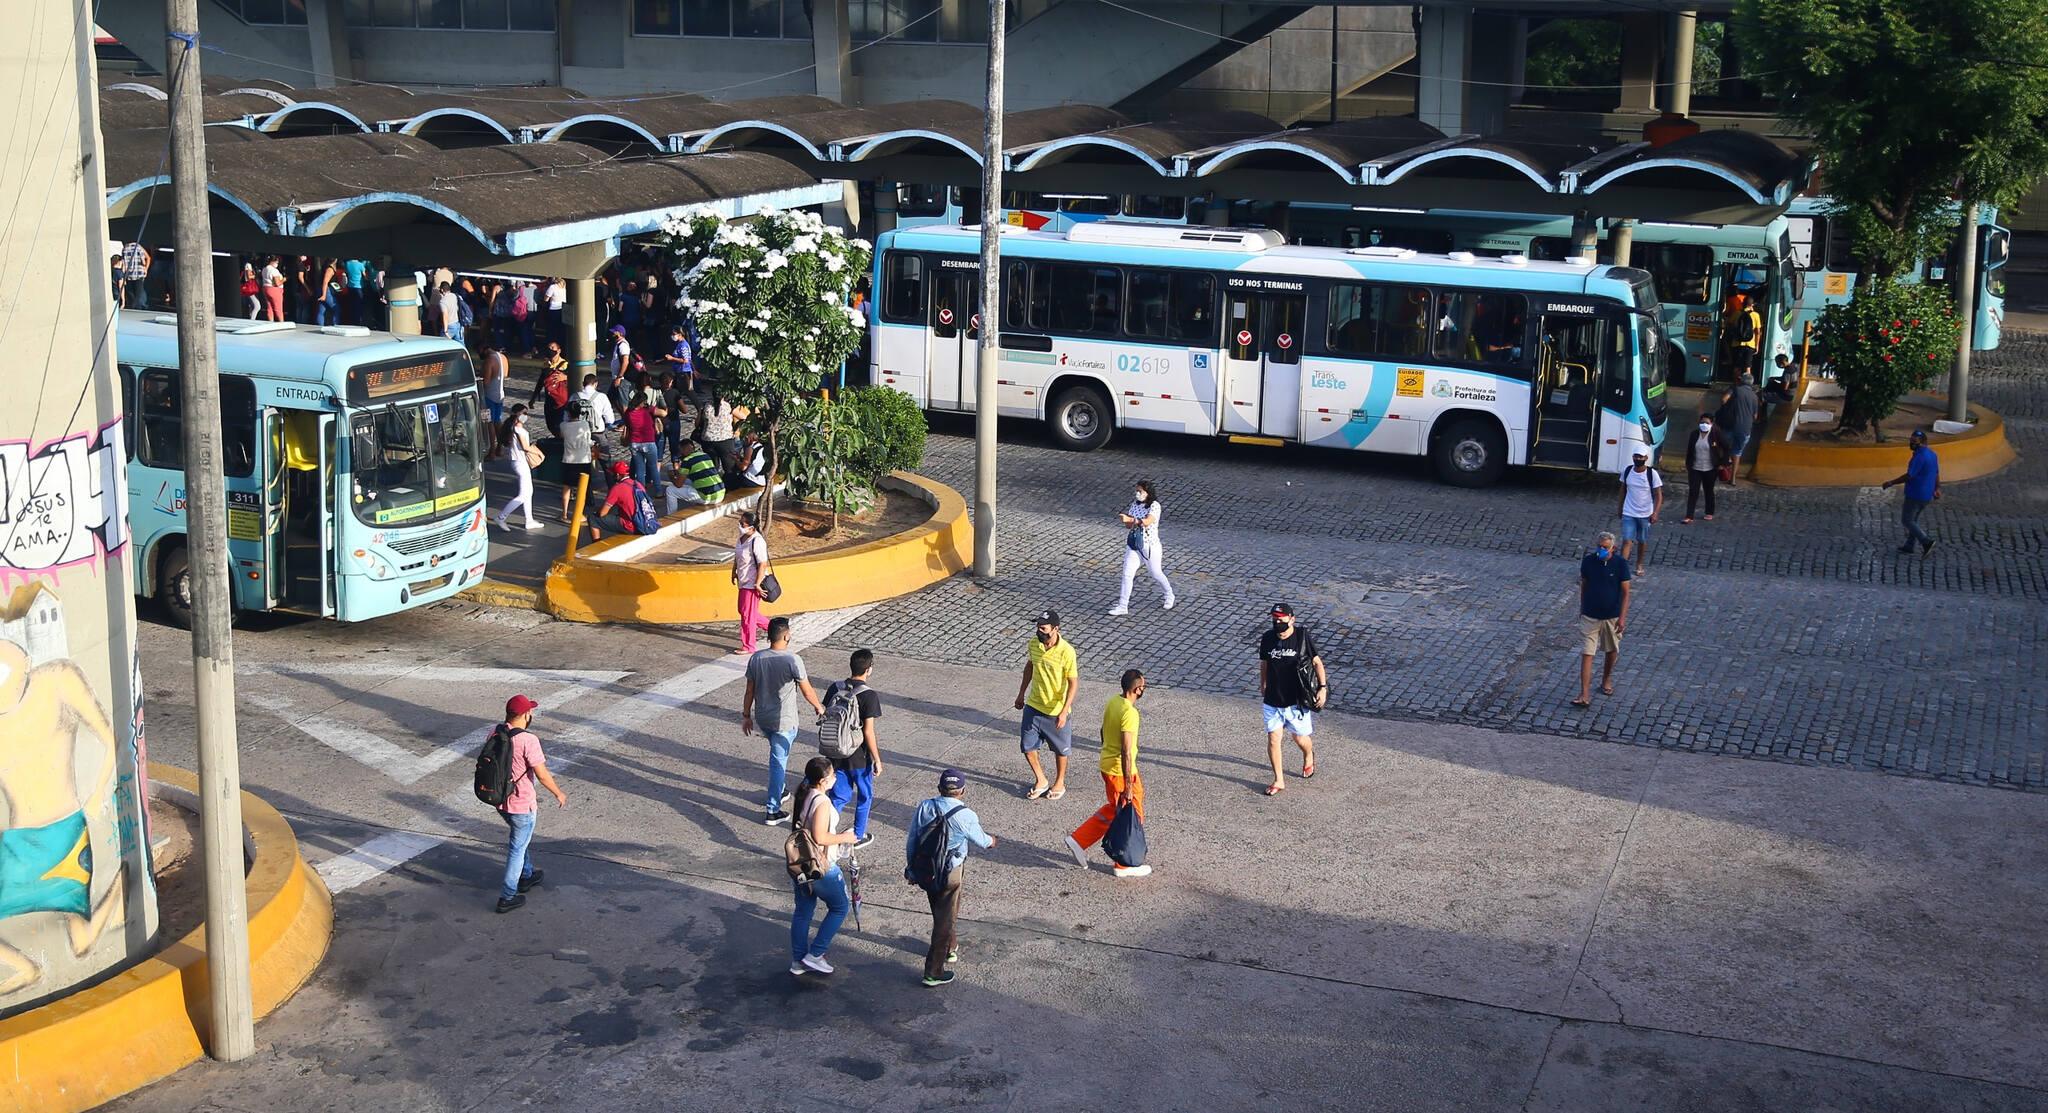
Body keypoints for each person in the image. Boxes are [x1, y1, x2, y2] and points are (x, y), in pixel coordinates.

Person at [904, 768, 996, 987]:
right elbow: (983, 841)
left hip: (927, 868)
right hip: (951, 871)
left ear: (939, 789)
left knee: (941, 910)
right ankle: (933, 972)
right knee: (945, 918)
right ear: (962, 791)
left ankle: (951, 947)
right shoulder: (966, 815)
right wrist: (993, 840)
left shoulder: (926, 806)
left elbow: (913, 839)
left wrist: (911, 869)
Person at [1063, 669, 1151, 878]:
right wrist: (1128, 786)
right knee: (1132, 813)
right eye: (1144, 687)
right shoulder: (1130, 713)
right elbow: (1126, 751)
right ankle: (1123, 863)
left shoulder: (1114, 701)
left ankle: (1079, 840)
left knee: (1115, 810)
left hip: (1108, 765)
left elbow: (1103, 731)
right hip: (1121, 771)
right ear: (1137, 689)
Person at [743, 616, 825, 826]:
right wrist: (819, 706)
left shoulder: (756, 658)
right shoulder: (792, 660)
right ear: (786, 635)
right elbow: (807, 690)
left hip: (763, 717)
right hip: (784, 721)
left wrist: (746, 715)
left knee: (777, 756)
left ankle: (779, 790)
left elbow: (749, 689)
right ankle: (772, 810)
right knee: (778, 763)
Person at [492, 694, 568, 914]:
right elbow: (542, 774)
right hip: (522, 805)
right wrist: (558, 793)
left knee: (520, 840)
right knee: (517, 848)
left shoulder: (496, 733)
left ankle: (527, 875)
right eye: (530, 711)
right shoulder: (528, 740)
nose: (531, 714)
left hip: (501, 802)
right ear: (525, 715)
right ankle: (507, 896)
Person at [787, 757, 860, 977]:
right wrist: (845, 837)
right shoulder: (823, 802)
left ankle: (798, 961)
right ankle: (816, 954)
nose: (835, 778)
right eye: (832, 775)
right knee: (840, 907)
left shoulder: (805, 794)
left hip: (801, 862)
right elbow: (820, 837)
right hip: (821, 865)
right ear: (822, 780)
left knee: (803, 912)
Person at [1257, 603, 1325, 796]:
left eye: (1281, 619)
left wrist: (1323, 688)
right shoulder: (1268, 638)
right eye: (1274, 618)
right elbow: (1264, 662)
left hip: (1296, 700)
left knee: (1300, 738)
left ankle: (1308, 755)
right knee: (1273, 739)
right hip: (1273, 699)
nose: (1277, 622)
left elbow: (1317, 663)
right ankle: (1278, 780)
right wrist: (1263, 683)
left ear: (1291, 619)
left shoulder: (1302, 637)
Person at [1012, 609, 1077, 801]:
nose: (1039, 632)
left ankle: (1060, 782)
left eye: (1043, 628)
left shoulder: (1067, 652)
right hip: (1034, 705)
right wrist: (1021, 693)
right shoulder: (1034, 644)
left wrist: (1064, 711)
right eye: (1037, 627)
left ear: (1055, 629)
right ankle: (1041, 780)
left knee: (1060, 749)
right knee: (1027, 746)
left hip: (1055, 710)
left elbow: (1073, 682)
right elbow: (1029, 667)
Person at [823, 649, 884, 849]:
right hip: (859, 757)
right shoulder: (868, 695)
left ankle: (826, 828)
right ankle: (858, 835)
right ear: (869, 670)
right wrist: (876, 759)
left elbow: (825, 714)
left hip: (835, 751)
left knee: (839, 795)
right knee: (865, 795)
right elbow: (868, 732)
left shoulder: (834, 688)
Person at [1573, 531, 1633, 708]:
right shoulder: (1589, 562)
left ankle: (1606, 678)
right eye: (1599, 546)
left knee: (1611, 649)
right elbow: (1584, 584)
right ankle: (1584, 693)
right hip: (1590, 615)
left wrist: (1622, 618)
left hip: (1611, 617)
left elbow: (1626, 593)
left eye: (1605, 547)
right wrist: (1582, 608)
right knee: (1587, 652)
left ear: (1613, 548)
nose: (1601, 550)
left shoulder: (1620, 564)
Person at [1109, 479, 1174, 615]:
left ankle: (1169, 594)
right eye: (1136, 491)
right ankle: (1123, 605)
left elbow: (1148, 521)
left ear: (1147, 492)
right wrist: (1126, 520)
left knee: (1155, 573)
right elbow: (1129, 524)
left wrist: (1131, 520)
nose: (1137, 493)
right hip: (1134, 544)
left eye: (1140, 491)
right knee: (1127, 574)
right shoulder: (1135, 504)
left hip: (1150, 546)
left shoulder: (1154, 506)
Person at [1882, 428, 1941, 555]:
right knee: (1913, 519)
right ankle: (1909, 545)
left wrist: (1891, 482)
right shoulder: (1932, 454)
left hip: (1915, 494)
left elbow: (1909, 475)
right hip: (1926, 495)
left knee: (1907, 520)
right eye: (1911, 440)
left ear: (1922, 442)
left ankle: (1926, 542)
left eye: (1914, 441)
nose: (1911, 443)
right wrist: (1937, 488)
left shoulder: (1920, 457)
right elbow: (1936, 473)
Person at [1616, 448, 1664, 577]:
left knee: (1642, 540)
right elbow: (1623, 491)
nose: (1638, 459)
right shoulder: (1627, 471)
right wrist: (1620, 508)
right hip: (1629, 512)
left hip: (1645, 514)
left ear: (1646, 458)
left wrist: (1655, 513)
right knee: (1627, 540)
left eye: (1640, 457)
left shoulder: (1652, 474)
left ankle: (1639, 563)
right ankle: (1622, 567)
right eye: (1636, 456)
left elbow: (1658, 495)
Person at [732, 510, 773, 654]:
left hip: (752, 583)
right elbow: (737, 557)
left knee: (747, 615)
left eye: (742, 524)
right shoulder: (741, 538)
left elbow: (762, 563)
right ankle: (773, 628)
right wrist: (734, 571)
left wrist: (757, 583)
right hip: (743, 581)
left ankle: (749, 645)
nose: (740, 526)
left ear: (752, 527)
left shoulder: (757, 541)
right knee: (745, 611)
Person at [493, 405, 538, 532]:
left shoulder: (512, 427)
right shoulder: (518, 429)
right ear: (517, 414)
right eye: (524, 413)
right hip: (520, 463)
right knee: (524, 494)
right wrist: (538, 453)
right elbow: (525, 447)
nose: (526, 415)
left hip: (518, 462)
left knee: (528, 493)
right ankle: (501, 517)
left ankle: (529, 520)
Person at [1681, 414, 1733, 524]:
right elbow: (1690, 451)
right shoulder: (1694, 434)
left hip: (1710, 468)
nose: (1704, 425)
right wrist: (1688, 465)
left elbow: (1727, 447)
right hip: (1695, 468)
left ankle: (1709, 511)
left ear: (1712, 424)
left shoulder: (1716, 434)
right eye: (1702, 422)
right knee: (1693, 491)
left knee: (1708, 490)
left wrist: (1722, 463)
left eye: (1707, 423)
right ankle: (1689, 515)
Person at [557, 399, 596, 538]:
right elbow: (588, 440)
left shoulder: (563, 426)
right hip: (583, 459)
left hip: (568, 459)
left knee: (567, 487)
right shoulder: (585, 424)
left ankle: (564, 513)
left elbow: (562, 436)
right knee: (582, 488)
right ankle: (578, 514)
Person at [1716, 371, 1760, 478]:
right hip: (1745, 429)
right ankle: (1733, 479)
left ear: (1741, 380)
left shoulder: (1735, 389)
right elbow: (1755, 417)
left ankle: (1723, 467)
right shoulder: (1754, 397)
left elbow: (1723, 399)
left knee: (1722, 446)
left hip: (1730, 425)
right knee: (1737, 452)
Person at [622, 383, 663, 491]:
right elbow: (663, 413)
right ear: (642, 402)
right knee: (653, 467)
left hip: (635, 443)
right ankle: (658, 491)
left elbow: (627, 425)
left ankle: (641, 491)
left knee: (640, 469)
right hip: (648, 442)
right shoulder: (647, 409)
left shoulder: (628, 412)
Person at [595, 461, 653, 537]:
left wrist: (597, 512)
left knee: (593, 519)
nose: (611, 476)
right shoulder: (638, 484)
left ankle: (597, 544)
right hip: (645, 522)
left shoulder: (617, 488)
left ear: (618, 475)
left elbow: (603, 513)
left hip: (631, 526)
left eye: (613, 474)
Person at [532, 341, 571, 436]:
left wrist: (565, 377)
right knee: (550, 424)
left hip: (561, 401)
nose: (550, 350)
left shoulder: (566, 365)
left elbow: (576, 378)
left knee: (559, 423)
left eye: (553, 348)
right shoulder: (546, 364)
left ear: (559, 350)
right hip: (549, 400)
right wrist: (533, 397)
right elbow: (541, 381)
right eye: (549, 348)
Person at [676, 438, 724, 506]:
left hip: (708, 497)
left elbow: (678, 484)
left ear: (683, 450)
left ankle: (671, 514)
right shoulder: (705, 455)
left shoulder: (687, 460)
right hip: (721, 493)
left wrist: (672, 476)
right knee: (690, 482)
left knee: (670, 490)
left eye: (680, 451)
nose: (680, 453)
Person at [480, 343, 508, 427]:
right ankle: (500, 439)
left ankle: (490, 440)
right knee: (497, 420)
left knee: (487, 422)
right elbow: (505, 375)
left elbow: (486, 382)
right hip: (500, 395)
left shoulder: (489, 360)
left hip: (488, 396)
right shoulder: (503, 357)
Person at [259, 255, 286, 322]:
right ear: (273, 261)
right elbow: (277, 283)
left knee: (269, 307)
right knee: (278, 309)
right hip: (275, 290)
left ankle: (270, 322)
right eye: (277, 262)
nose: (278, 263)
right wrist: (284, 279)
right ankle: (281, 324)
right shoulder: (274, 270)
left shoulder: (264, 269)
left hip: (266, 288)